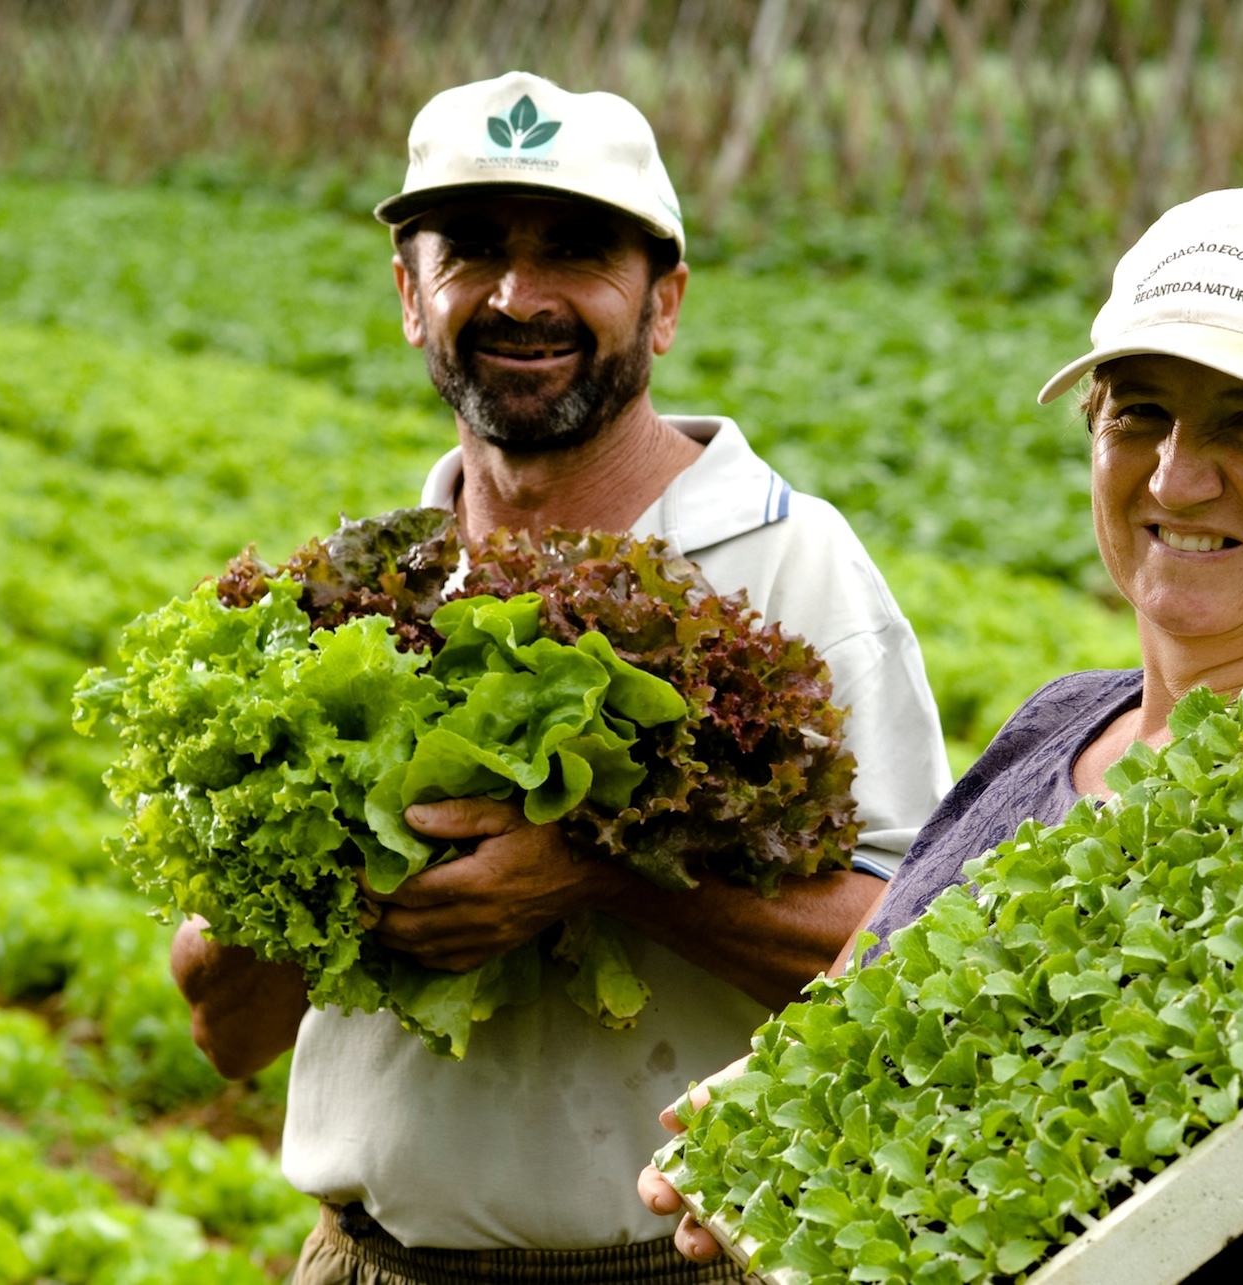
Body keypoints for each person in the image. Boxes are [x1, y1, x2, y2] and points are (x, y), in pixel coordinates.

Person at [639, 184, 1243, 1283]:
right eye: (1138, 410)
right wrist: (791, 1116)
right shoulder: (1057, 722)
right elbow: (874, 1028)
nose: (1173, 476)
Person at [167, 71, 953, 1283]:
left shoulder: (794, 566)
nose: (519, 296)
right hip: (366, 1262)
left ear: (665, 301)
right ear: (409, 298)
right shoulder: (363, 593)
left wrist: (604, 872)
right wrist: (299, 888)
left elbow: (912, 957)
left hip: (673, 1266)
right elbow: (228, 1033)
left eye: (577, 251)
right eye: (472, 251)